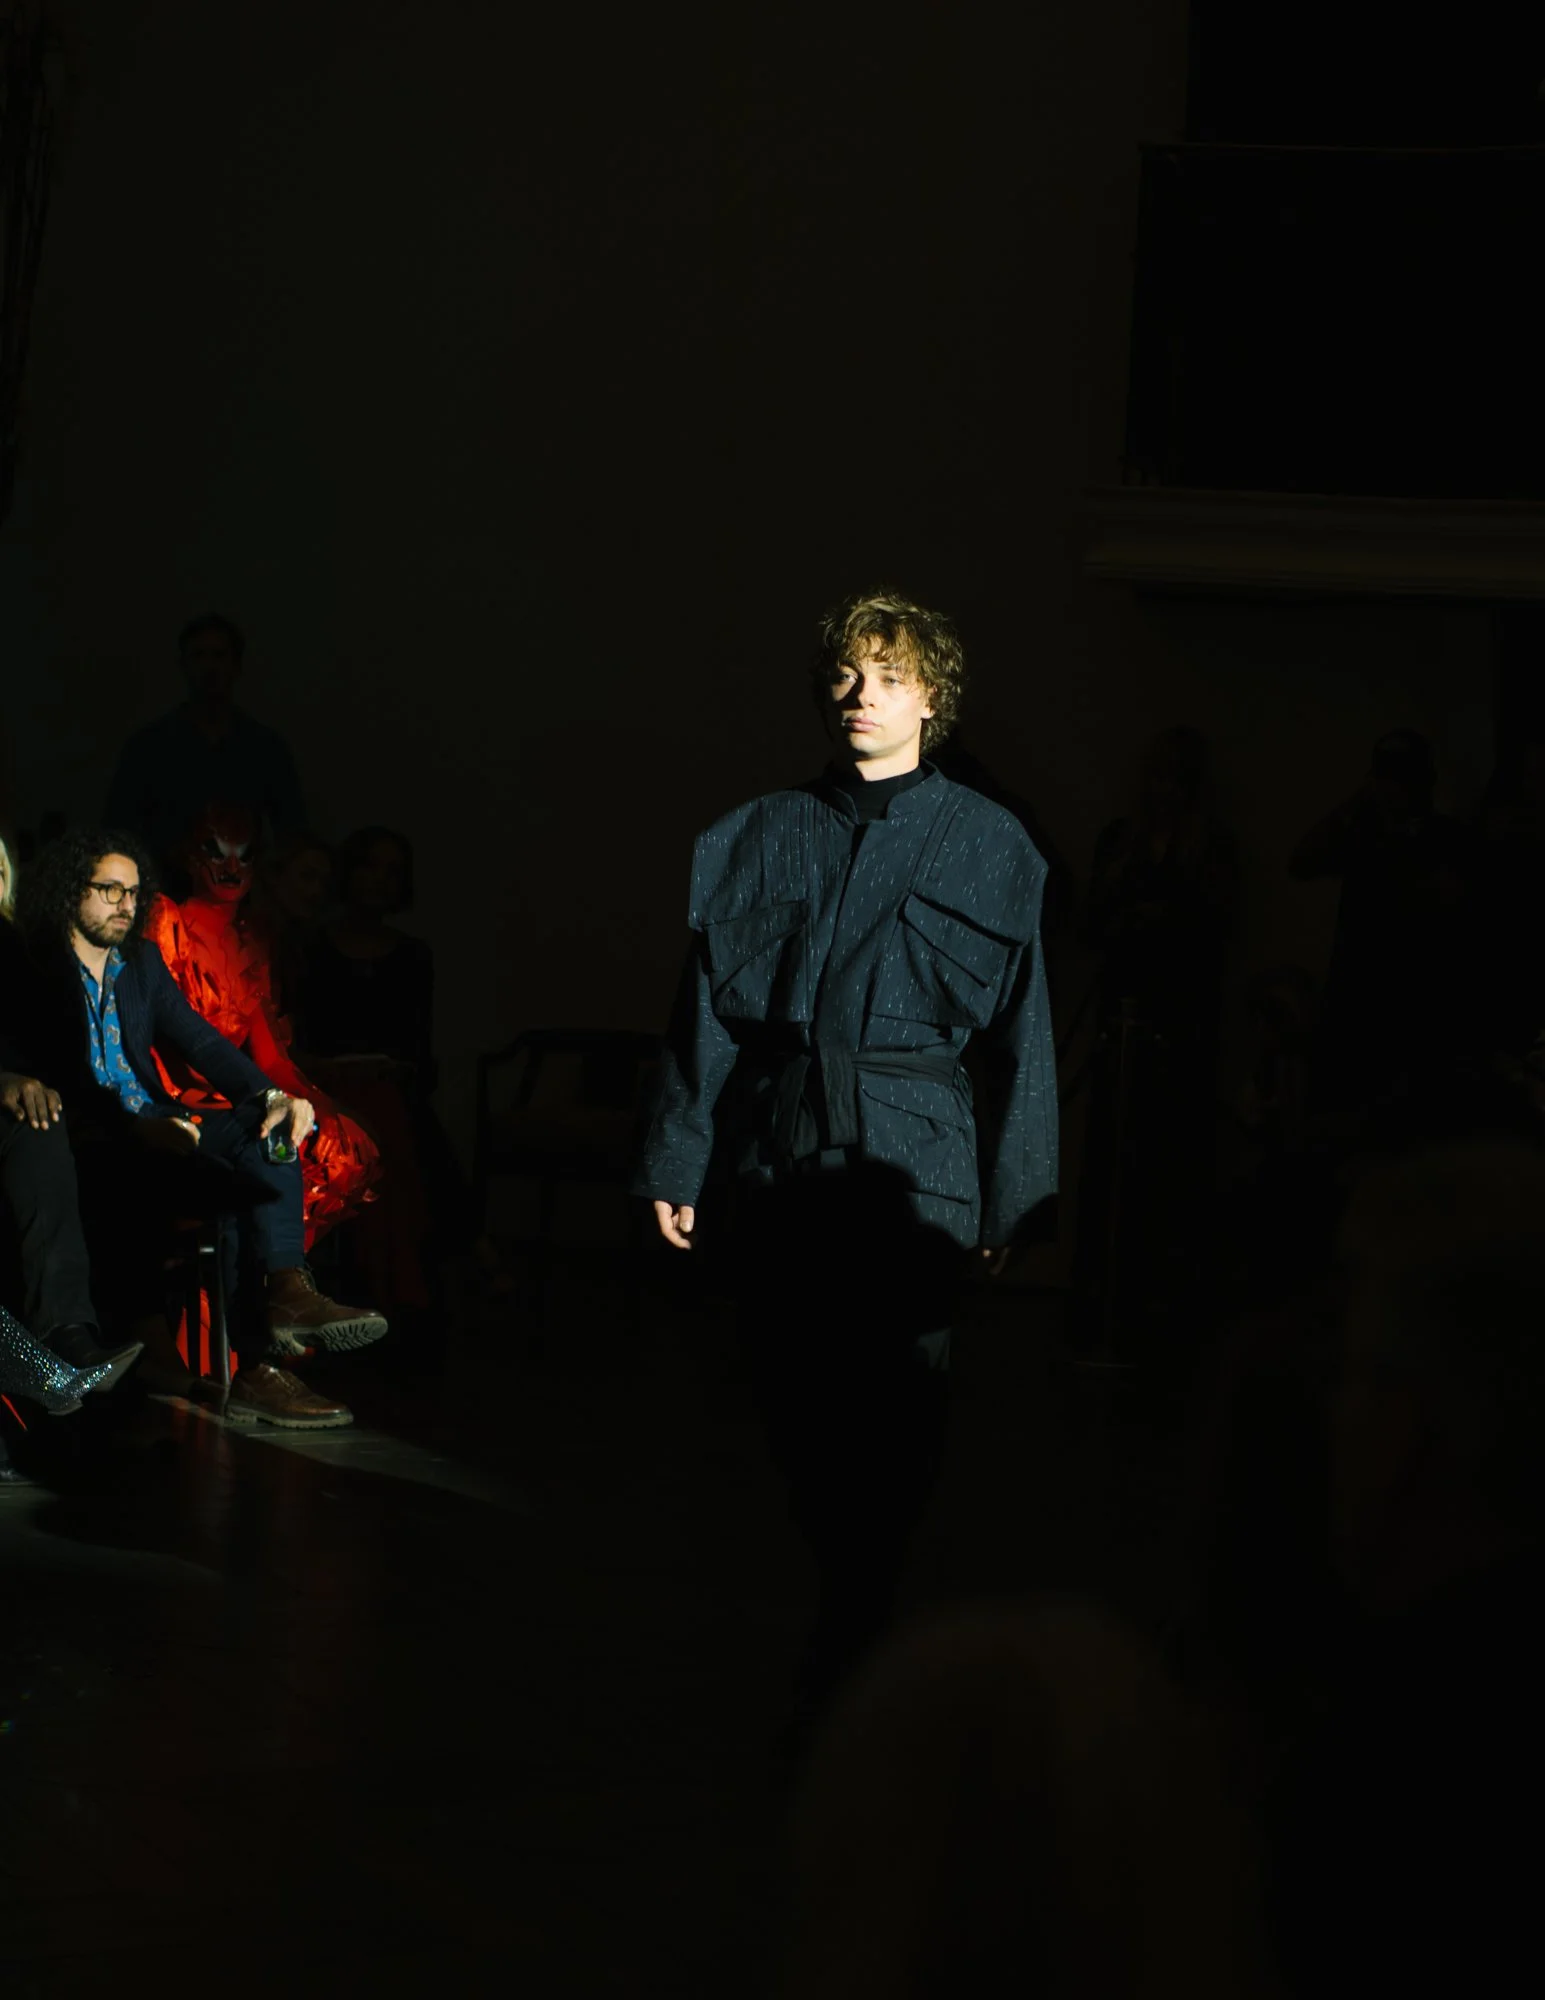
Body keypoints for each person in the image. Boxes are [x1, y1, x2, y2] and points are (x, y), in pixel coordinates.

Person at [636, 589, 1057, 1720]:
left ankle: (858, 1620)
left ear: (933, 696)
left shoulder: (989, 842)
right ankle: (849, 1598)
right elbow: (705, 1016)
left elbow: (1027, 1033)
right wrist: (681, 1157)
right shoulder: (761, 831)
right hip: (783, 1146)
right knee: (788, 1391)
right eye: (847, 674)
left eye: (889, 674)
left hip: (917, 1159)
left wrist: (1014, 1197)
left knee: (898, 1399)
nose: (860, 694)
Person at [16, 829, 389, 1429]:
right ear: (69, 892)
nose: (124, 904)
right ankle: (258, 1368)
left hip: (157, 1119)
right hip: (89, 1137)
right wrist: (135, 1131)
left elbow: (198, 1040)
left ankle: (287, 1289)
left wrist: (269, 1094)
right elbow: (58, 1075)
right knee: (232, 1186)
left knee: (262, 1133)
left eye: (133, 893)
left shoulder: (139, 961)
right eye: (109, 889)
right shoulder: (36, 963)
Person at [143, 803, 380, 1249]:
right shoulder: (166, 920)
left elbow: (269, 1053)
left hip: (242, 1093)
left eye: (244, 856)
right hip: (183, 1096)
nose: (231, 867)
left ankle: (279, 1286)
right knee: (272, 1145)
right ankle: (259, 1289)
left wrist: (315, 1105)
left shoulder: (250, 942)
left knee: (341, 1148)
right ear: (190, 856)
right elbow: (174, 1030)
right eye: (216, 852)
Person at [1290, 729, 1478, 1128]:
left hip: (1417, 1018)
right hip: (1355, 1012)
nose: (1394, 790)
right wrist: (1357, 804)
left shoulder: (1448, 839)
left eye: (1401, 780)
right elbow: (1301, 861)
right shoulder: (1360, 834)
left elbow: (1453, 902)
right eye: (1385, 778)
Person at [104, 615, 306, 871]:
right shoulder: (149, 746)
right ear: (184, 665)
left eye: (219, 656)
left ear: (236, 665)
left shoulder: (265, 747)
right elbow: (119, 829)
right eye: (199, 656)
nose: (209, 667)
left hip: (243, 892)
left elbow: (292, 832)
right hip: (165, 890)